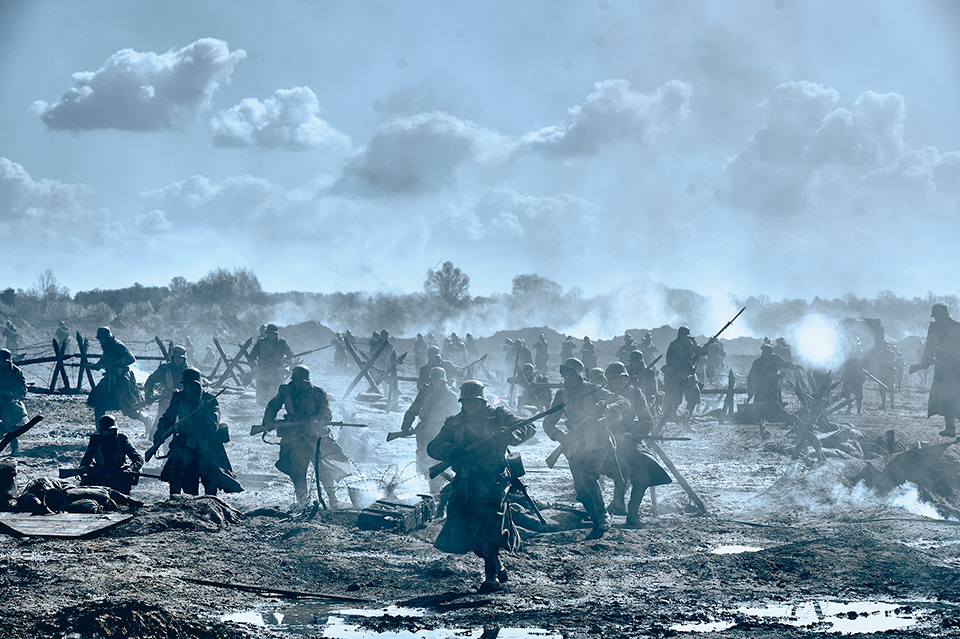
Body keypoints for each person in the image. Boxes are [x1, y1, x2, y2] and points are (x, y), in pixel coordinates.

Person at [427, 380, 536, 593]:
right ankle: (498, 565)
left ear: (481, 400)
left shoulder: (499, 416)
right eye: (465, 400)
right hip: (465, 480)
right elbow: (433, 446)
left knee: (487, 524)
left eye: (473, 400)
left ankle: (491, 576)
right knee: (462, 523)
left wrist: (510, 435)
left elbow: (529, 427)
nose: (468, 404)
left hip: (493, 480)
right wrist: (452, 451)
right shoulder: (454, 422)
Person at [542, 358, 630, 540]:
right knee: (581, 489)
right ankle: (598, 521)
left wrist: (607, 407)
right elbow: (549, 422)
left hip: (599, 440)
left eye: (571, 373)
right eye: (565, 373)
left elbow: (624, 402)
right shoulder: (561, 395)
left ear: (579, 374)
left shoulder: (593, 389)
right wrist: (561, 437)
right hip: (575, 444)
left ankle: (604, 515)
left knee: (588, 476)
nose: (568, 377)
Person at [260, 365, 349, 508]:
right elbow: (272, 405)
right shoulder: (286, 391)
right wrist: (268, 422)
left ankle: (333, 500)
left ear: (308, 381)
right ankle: (302, 501)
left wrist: (316, 419)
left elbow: (327, 413)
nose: (298, 384)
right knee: (298, 471)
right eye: (296, 381)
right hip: (295, 438)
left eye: (301, 381)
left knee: (324, 469)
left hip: (315, 437)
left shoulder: (318, 393)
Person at [154, 367, 241, 497]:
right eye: (186, 384)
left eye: (192, 384)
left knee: (210, 477)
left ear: (198, 384)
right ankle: (174, 501)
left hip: (206, 444)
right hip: (184, 443)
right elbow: (168, 418)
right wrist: (160, 433)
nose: (189, 388)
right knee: (177, 471)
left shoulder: (209, 400)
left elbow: (211, 426)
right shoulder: (178, 398)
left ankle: (210, 502)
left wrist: (186, 426)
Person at [602, 362, 671, 526]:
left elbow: (647, 420)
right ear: (609, 380)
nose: (619, 382)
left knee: (643, 477)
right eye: (615, 379)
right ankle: (611, 508)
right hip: (608, 443)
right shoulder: (602, 394)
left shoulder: (635, 392)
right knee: (622, 473)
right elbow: (596, 421)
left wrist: (631, 434)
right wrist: (613, 435)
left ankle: (633, 515)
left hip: (631, 442)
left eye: (621, 378)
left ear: (626, 377)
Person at [400, 367, 460, 494]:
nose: (435, 383)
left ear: (444, 381)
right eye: (434, 380)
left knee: (440, 462)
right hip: (425, 432)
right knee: (423, 459)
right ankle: (434, 488)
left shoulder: (451, 397)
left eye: (438, 380)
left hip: (442, 433)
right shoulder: (425, 392)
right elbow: (414, 409)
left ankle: (438, 490)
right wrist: (406, 426)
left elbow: (457, 418)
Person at [86, 327, 150, 428]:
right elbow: (104, 359)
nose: (100, 342)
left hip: (121, 379)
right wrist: (96, 365)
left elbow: (131, 358)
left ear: (107, 338)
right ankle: (100, 429)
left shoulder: (118, 346)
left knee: (127, 406)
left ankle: (146, 420)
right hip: (109, 379)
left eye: (102, 339)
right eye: (99, 339)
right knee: (98, 400)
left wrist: (115, 364)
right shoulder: (107, 346)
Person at [916, 303, 960, 437]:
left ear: (945, 316)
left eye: (938, 316)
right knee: (945, 397)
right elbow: (929, 346)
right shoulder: (933, 328)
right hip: (942, 368)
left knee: (957, 397)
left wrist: (955, 357)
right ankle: (950, 427)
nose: (937, 319)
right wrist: (925, 360)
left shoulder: (957, 327)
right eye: (935, 317)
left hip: (957, 367)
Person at [78, 415, 144, 495]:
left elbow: (138, 459)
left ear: (115, 430)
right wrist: (84, 467)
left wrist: (131, 469)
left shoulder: (122, 440)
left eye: (110, 431)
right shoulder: (95, 440)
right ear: (101, 431)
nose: (107, 434)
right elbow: (86, 459)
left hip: (118, 475)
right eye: (105, 431)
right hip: (100, 475)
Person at [659, 327, 707, 430]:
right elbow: (671, 362)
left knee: (694, 396)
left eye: (687, 336)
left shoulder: (691, 343)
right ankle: (665, 422)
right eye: (684, 336)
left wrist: (703, 346)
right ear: (680, 336)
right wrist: (684, 364)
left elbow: (701, 352)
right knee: (675, 401)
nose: (686, 338)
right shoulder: (674, 346)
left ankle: (686, 423)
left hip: (688, 374)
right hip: (675, 375)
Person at [143, 345, 190, 439]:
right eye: (175, 357)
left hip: (185, 403)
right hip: (167, 401)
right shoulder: (165, 369)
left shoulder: (190, 371)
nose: (177, 360)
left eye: (180, 358)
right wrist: (149, 394)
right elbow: (150, 381)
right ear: (172, 358)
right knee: (162, 423)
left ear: (184, 359)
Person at [248, 324, 294, 407]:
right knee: (260, 400)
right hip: (262, 373)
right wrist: (253, 367)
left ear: (276, 334)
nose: (271, 335)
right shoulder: (260, 343)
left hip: (276, 373)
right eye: (269, 333)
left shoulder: (282, 343)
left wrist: (287, 361)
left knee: (274, 399)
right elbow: (251, 358)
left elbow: (291, 356)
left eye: (273, 333)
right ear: (267, 333)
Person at [0, 349, 27, 455]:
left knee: (11, 426)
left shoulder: (15, 372)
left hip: (9, 402)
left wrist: (6, 392)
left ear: (7, 361)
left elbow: (22, 389)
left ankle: (15, 448)